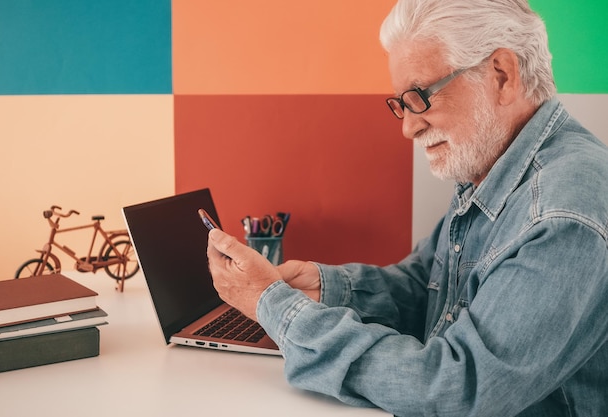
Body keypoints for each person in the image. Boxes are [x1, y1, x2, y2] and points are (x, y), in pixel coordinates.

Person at [206, 0, 608, 415]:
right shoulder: (491, 167)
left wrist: (277, 308)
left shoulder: (563, 214)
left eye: (420, 96)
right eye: (401, 103)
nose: (408, 126)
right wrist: (325, 288)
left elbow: (456, 389)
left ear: (502, 75)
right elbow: (427, 289)